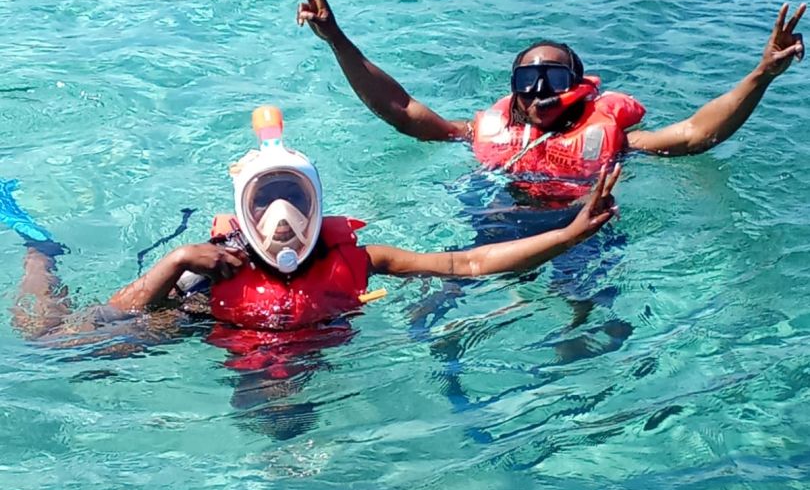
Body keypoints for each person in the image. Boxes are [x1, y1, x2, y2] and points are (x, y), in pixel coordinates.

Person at [13, 107, 621, 346]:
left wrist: (568, 235)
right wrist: (174, 264)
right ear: (242, 211)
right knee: (50, 343)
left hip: (299, 353)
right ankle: (42, 251)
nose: (282, 220)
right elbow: (114, 315)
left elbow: (466, 263)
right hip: (212, 326)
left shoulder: (362, 259)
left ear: (318, 202)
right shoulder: (217, 266)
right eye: (265, 203)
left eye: (295, 200)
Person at [291, 0, 805, 202]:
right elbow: (400, 109)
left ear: (578, 86)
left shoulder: (615, 142)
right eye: (527, 80)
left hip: (579, 231)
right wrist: (336, 38)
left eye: (554, 78)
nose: (540, 91)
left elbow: (696, 134)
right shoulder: (480, 132)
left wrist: (762, 74)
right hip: (501, 224)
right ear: (513, 90)